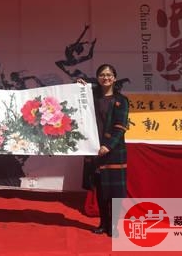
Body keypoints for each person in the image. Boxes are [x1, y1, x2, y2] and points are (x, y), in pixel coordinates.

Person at [78, 64, 129, 237]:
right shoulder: (91, 97)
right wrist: (80, 85)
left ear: (114, 78)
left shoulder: (121, 100)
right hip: (94, 150)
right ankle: (103, 223)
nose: (105, 77)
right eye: (102, 75)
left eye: (109, 75)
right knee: (100, 189)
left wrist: (108, 146)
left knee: (115, 192)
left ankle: (114, 227)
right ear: (98, 78)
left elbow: (121, 127)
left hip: (113, 151)